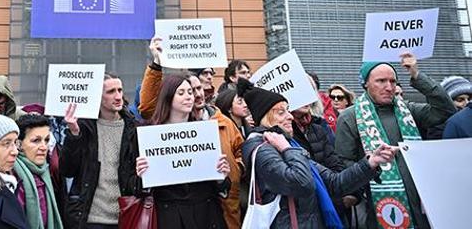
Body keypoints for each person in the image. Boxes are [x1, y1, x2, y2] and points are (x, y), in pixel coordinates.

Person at [239, 79, 397, 229]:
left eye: (287, 110)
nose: (289, 116)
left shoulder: (288, 144)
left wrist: (370, 162)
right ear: (265, 118)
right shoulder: (262, 148)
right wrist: (288, 150)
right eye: (281, 112)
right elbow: (302, 184)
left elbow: (335, 183)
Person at [335, 53, 455, 229]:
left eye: (392, 81)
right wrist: (369, 168)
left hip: (422, 203)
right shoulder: (349, 117)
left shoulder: (408, 109)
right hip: (379, 204)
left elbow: (445, 110)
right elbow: (345, 163)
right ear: (366, 83)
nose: (389, 87)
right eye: (381, 81)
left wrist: (416, 75)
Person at [136, 74, 232, 229]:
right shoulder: (149, 135)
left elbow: (222, 189)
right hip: (170, 217)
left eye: (190, 92)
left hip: (206, 216)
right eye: (181, 93)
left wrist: (221, 177)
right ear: (167, 97)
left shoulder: (205, 131)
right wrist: (143, 176)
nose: (189, 97)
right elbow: (135, 187)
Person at [60, 73, 140, 229]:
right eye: (111, 92)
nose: (118, 96)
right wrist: (74, 134)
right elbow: (67, 170)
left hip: (125, 216)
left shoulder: (133, 128)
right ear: (97, 96)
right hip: (91, 218)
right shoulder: (84, 127)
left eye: (120, 90)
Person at [13, 114, 64, 229]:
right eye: (36, 141)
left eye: (46, 140)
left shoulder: (45, 172)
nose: (44, 147)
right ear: (18, 144)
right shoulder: (11, 175)